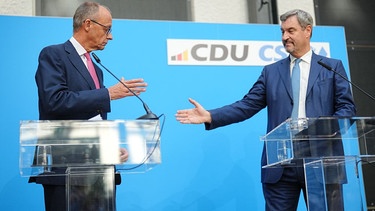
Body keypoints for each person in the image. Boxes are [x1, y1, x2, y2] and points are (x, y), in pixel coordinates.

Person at [175, 9, 356, 211]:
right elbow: (246, 105)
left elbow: (347, 109)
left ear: (307, 31)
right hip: (280, 164)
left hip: (322, 160)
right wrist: (211, 115)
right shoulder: (271, 72)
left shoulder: (331, 67)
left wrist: (320, 130)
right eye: (282, 32)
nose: (285, 37)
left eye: (291, 31)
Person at [30, 2, 147, 210]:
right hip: (67, 173)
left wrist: (107, 147)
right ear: (87, 24)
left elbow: (92, 117)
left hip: (100, 172)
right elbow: (54, 101)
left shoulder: (96, 68)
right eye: (107, 29)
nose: (110, 36)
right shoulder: (53, 55)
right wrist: (108, 93)